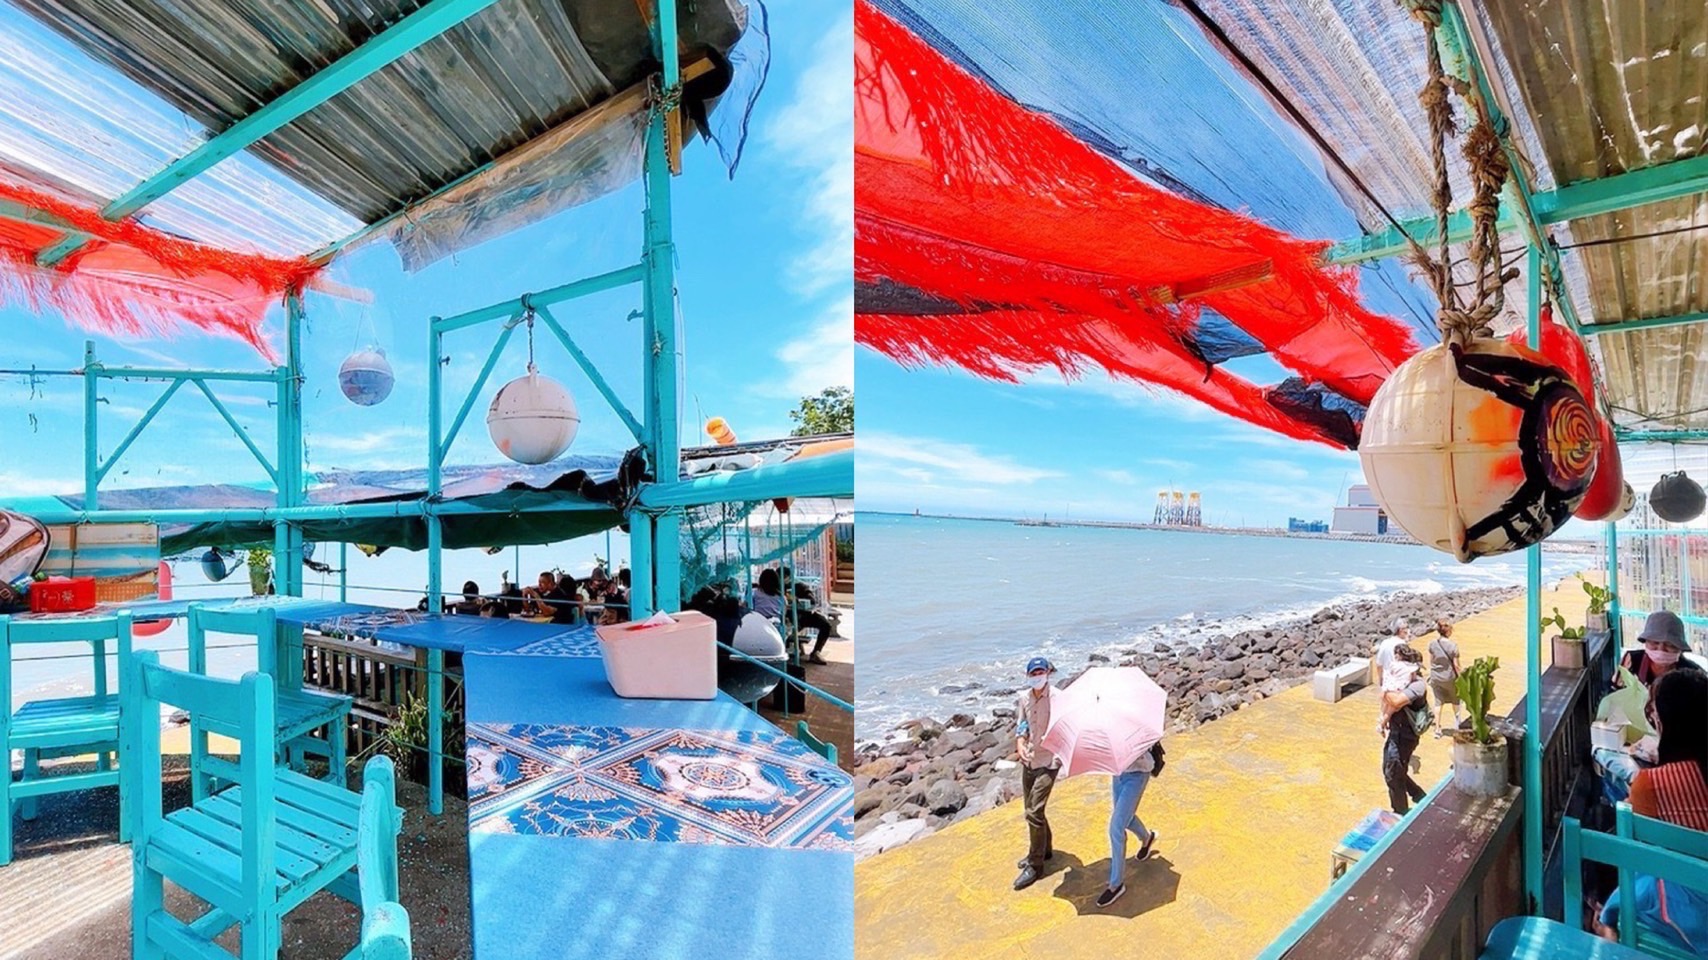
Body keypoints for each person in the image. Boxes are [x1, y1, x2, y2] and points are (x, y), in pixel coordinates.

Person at [1594, 668, 1708, 949]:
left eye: (1655, 713)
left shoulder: (1653, 783)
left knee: (1629, 876)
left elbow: (1630, 846)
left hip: (1692, 914)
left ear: (1666, 722)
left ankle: (1606, 929)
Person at [1014, 656, 1062, 891]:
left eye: (1040, 672)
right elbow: (1022, 726)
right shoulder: (1023, 698)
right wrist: (1020, 744)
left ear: (1048, 673)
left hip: (1050, 760)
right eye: (1033, 674)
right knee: (1032, 809)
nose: (1037, 677)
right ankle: (1045, 850)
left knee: (1034, 812)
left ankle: (1035, 865)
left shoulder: (1058, 698)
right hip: (1030, 759)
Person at [1097, 741, 1163, 908]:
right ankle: (1147, 838)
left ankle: (1116, 884)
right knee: (1126, 818)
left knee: (1116, 828)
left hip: (1138, 773)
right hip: (1118, 773)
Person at [1378, 644, 1430, 814]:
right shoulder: (1403, 681)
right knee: (1391, 770)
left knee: (1393, 774)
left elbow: (1397, 701)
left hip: (1406, 737)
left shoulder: (1418, 685)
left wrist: (1385, 687)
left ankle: (1400, 812)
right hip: (1396, 733)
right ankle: (1419, 795)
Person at [1428, 618, 1464, 736]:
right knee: (1456, 701)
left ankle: (1437, 729)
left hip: (1436, 677)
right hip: (1449, 678)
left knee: (1438, 703)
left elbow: (1432, 661)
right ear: (1448, 631)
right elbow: (1456, 666)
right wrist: (1462, 678)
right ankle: (1458, 725)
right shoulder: (1453, 646)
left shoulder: (1432, 644)